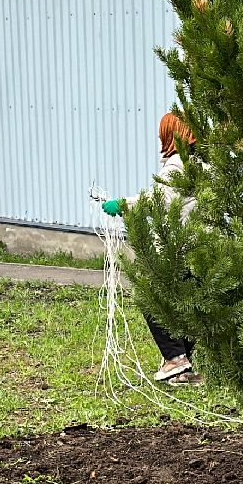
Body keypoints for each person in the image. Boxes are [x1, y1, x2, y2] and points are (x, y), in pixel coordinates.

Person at [103, 111, 200, 384]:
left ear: (170, 134)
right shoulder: (203, 164)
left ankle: (175, 359)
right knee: (186, 304)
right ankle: (186, 368)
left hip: (176, 248)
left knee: (151, 296)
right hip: (200, 247)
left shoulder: (177, 165)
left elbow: (161, 200)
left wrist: (122, 205)